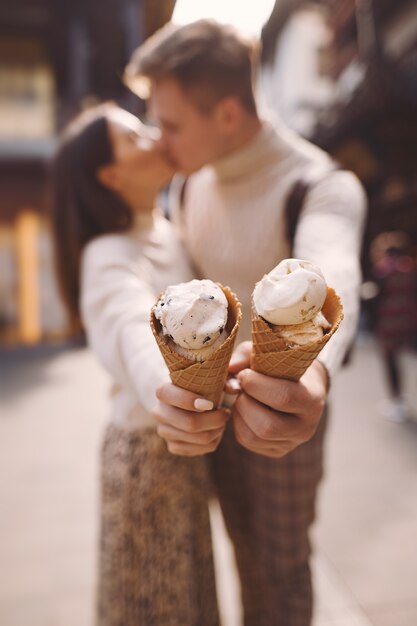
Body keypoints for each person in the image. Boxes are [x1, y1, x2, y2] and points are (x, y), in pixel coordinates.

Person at [124, 19, 367, 626]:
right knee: (236, 557)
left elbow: (330, 277)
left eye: (172, 124)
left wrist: (311, 382)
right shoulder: (184, 186)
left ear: (227, 115)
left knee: (280, 577)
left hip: (284, 417)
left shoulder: (320, 185)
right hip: (208, 418)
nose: (159, 140)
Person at [50, 103, 222, 626]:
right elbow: (130, 330)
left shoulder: (166, 229)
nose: (154, 135)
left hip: (178, 449)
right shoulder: (108, 252)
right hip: (149, 457)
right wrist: (169, 394)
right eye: (134, 135)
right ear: (111, 175)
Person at [370, 231, 417, 422]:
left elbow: (375, 299)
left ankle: (396, 400)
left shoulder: (382, 270)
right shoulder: (410, 268)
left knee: (391, 362)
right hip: (409, 320)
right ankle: (400, 399)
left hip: (388, 323)